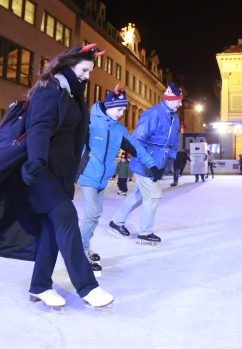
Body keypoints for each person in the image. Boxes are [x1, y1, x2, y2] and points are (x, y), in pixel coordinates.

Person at [0, 44, 113, 309]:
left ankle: (39, 286)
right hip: (40, 172)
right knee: (67, 219)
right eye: (84, 70)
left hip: (61, 175)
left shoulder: (73, 95)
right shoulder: (49, 89)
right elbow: (39, 127)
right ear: (69, 65)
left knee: (51, 231)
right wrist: (36, 162)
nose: (87, 76)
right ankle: (87, 287)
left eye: (89, 71)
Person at [76, 86, 158, 274]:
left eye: (124, 110)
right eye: (119, 109)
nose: (122, 114)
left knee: (95, 216)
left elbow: (135, 147)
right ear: (109, 105)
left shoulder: (119, 129)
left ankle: (85, 247)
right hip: (88, 175)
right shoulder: (90, 122)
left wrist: (151, 165)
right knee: (92, 214)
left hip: (103, 178)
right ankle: (79, 253)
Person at [108, 82, 182, 245]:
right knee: (154, 196)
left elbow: (174, 141)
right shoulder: (152, 114)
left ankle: (116, 222)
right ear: (170, 100)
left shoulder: (174, 117)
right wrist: (150, 163)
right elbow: (138, 141)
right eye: (178, 100)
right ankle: (145, 233)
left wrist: (168, 162)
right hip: (145, 163)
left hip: (159, 162)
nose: (180, 104)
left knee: (139, 195)